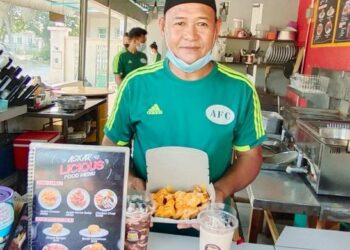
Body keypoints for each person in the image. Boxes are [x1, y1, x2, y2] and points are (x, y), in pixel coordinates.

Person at [103, 0, 265, 235]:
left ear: (217, 28)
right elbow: (111, 146)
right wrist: (131, 182)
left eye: (201, 23)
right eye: (179, 23)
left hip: (211, 222)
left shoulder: (240, 89)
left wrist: (219, 191)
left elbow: (251, 155)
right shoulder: (136, 84)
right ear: (163, 25)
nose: (190, 35)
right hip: (142, 221)